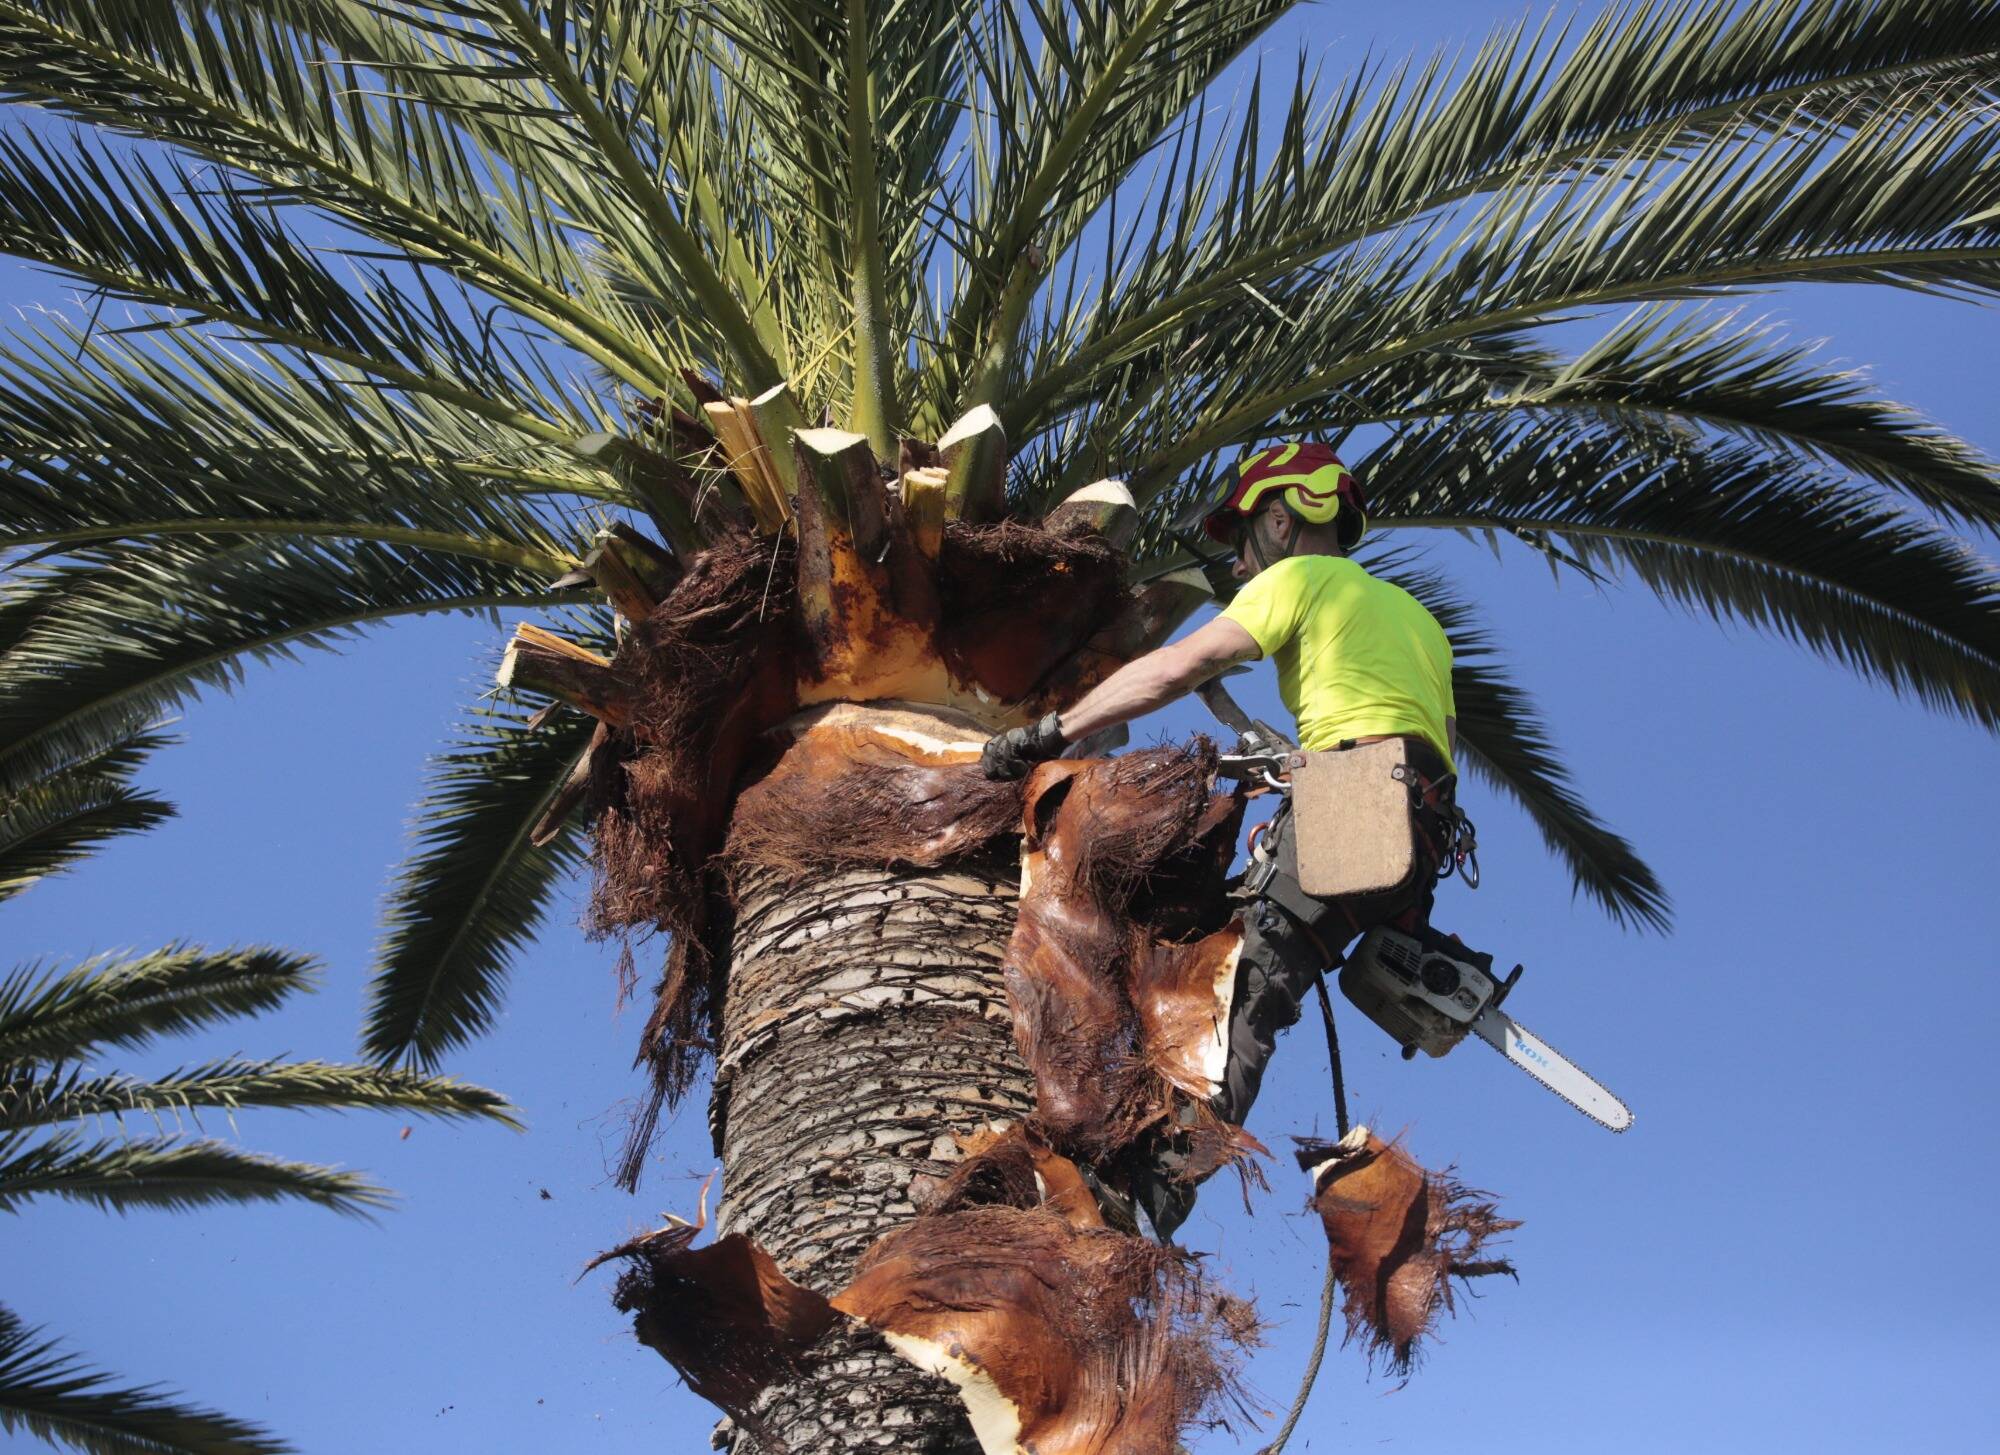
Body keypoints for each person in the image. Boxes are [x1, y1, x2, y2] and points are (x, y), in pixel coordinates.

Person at [981, 441, 1462, 1236]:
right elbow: (1423, 740)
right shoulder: (1418, 621)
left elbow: (1179, 665)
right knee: (1217, 945)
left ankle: (1149, 1189)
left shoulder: (1303, 578)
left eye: (1244, 538)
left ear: (1281, 517)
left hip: (1355, 800)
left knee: (1239, 986)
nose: (1241, 563)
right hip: (1417, 827)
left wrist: (1052, 729)